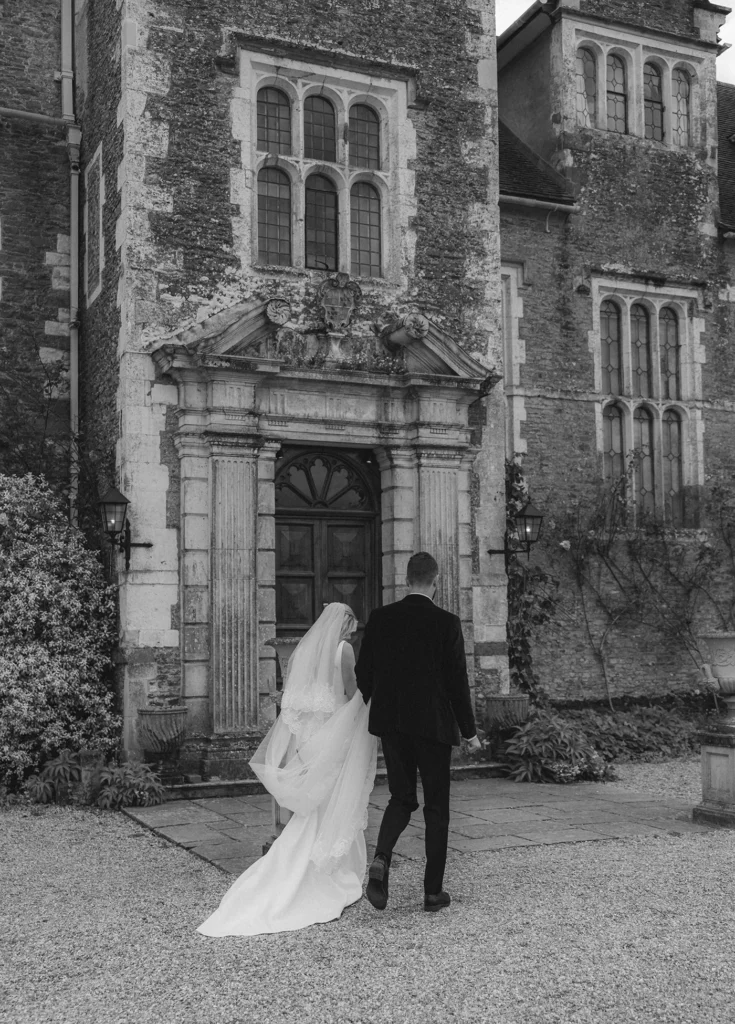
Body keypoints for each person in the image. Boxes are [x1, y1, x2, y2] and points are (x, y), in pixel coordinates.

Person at [197, 602, 377, 936]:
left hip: (313, 738)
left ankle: (303, 857)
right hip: (337, 734)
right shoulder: (344, 651)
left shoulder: (309, 657)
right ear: (346, 623)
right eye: (352, 623)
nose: (354, 629)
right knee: (336, 798)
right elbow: (353, 693)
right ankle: (329, 867)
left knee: (318, 801)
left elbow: (297, 701)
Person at [355, 552, 481, 913]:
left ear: (406, 580)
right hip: (435, 727)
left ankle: (381, 858)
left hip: (393, 725)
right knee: (436, 808)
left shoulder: (381, 619)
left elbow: (365, 675)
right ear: (436, 580)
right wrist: (469, 731)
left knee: (401, 797)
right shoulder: (447, 622)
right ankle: (432, 892)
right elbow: (458, 682)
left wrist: (376, 704)